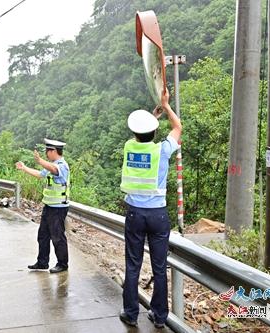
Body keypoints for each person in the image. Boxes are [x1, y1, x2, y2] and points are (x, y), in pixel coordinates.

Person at [119, 89, 182, 328]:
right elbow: (178, 128)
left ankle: (131, 313)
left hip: (134, 214)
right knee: (159, 266)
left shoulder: (129, 147)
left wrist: (152, 116)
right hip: (158, 216)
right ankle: (159, 316)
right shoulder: (162, 150)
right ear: (155, 131)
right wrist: (165, 106)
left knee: (133, 264)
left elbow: (141, 133)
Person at [15, 138, 70, 274]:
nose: (46, 153)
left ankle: (62, 264)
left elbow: (54, 170)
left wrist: (40, 161)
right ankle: (42, 262)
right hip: (49, 206)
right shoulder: (51, 164)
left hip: (59, 207)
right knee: (43, 235)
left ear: (53, 151)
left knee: (57, 237)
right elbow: (40, 174)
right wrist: (24, 168)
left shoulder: (61, 165)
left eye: (47, 151)